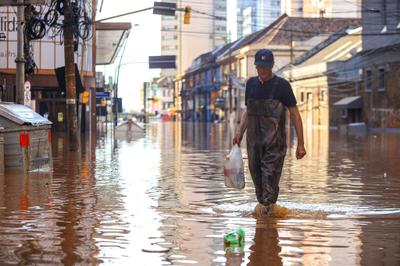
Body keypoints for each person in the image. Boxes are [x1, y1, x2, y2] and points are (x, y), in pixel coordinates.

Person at [233, 49, 306, 217]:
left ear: (272, 66)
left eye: (266, 67)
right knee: (258, 182)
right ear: (256, 66)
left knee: (269, 180)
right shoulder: (251, 84)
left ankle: (267, 230)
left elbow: (295, 113)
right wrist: (239, 132)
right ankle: (268, 222)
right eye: (259, 67)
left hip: (275, 144)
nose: (263, 71)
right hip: (253, 144)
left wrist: (300, 144)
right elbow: (247, 111)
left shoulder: (282, 86)